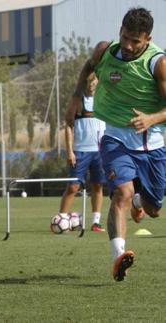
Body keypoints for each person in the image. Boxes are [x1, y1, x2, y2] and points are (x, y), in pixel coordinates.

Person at [68, 7, 166, 282]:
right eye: (124, 37)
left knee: (154, 209)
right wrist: (77, 95)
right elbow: (89, 66)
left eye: (136, 40)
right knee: (120, 193)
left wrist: (152, 118)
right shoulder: (105, 51)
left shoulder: (158, 63)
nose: (128, 45)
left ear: (147, 39)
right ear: (119, 32)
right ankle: (118, 256)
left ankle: (140, 200)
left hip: (153, 144)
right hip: (114, 139)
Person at [59, 74, 106, 232]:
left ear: (98, 82)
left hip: (99, 151)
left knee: (98, 186)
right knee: (73, 187)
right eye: (88, 81)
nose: (91, 84)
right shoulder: (78, 101)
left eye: (93, 81)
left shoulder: (104, 99)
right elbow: (68, 126)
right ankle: (62, 219)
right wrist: (70, 151)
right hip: (80, 151)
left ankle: (96, 222)